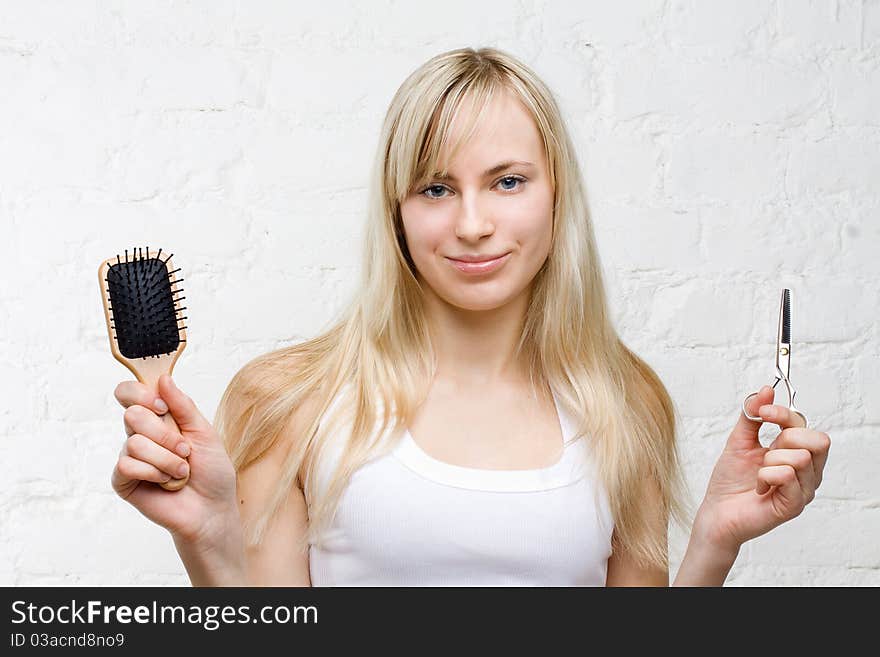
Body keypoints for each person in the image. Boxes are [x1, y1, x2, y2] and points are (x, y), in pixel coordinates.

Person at [111, 46, 831, 586]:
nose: (474, 223)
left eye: (508, 181)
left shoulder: (625, 403)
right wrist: (207, 540)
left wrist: (714, 541)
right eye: (435, 188)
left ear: (557, 196)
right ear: (397, 210)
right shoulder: (289, 397)